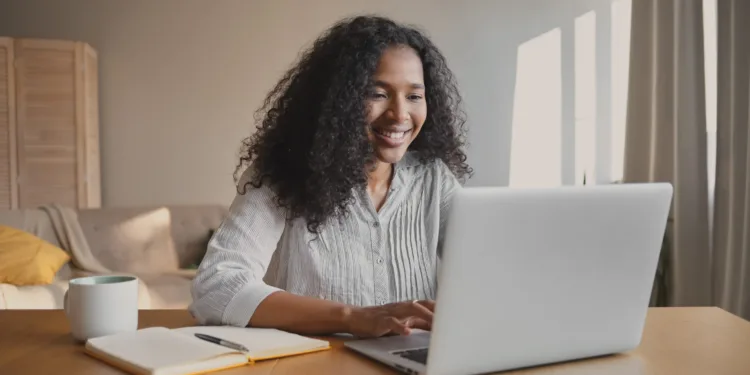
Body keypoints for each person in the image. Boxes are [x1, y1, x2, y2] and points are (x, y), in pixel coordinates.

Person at [189, 15, 472, 338]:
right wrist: (352, 317)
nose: (400, 114)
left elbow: (490, 273)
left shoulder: (434, 178)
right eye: (378, 94)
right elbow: (216, 287)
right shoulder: (281, 175)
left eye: (414, 96)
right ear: (339, 101)